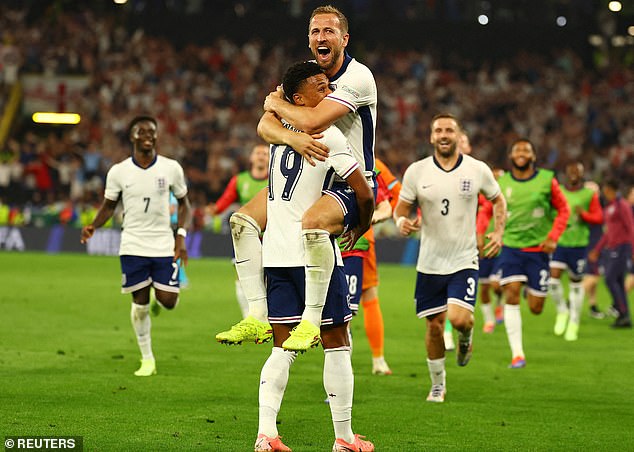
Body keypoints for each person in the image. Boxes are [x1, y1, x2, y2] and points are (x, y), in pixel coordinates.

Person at [216, 4, 377, 351]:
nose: (322, 37)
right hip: (311, 175)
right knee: (242, 221)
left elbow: (313, 121)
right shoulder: (305, 77)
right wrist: (292, 135)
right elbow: (265, 125)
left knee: (314, 223)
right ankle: (257, 314)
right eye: (316, 32)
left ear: (344, 39)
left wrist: (278, 103)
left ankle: (312, 320)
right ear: (309, 40)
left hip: (349, 181)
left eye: (329, 31)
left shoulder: (357, 77)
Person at [254, 61, 374, 452]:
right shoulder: (331, 136)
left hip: (275, 253)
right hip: (314, 252)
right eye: (321, 88)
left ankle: (266, 434)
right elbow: (364, 192)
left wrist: (276, 105)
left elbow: (265, 123)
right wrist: (362, 225)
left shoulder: (277, 135)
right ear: (300, 99)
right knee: (337, 340)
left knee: (281, 347)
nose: (329, 94)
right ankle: (344, 439)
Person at [393, 113, 506, 403]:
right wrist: (401, 223)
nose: (444, 135)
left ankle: (466, 338)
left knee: (458, 320)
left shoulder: (477, 169)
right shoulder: (417, 171)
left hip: (463, 260)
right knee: (433, 326)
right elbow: (401, 209)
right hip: (429, 263)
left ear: (458, 136)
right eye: (438, 130)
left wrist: (498, 232)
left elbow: (498, 200)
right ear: (431, 137)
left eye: (449, 130)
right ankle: (438, 385)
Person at [80, 116, 191, 377]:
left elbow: (185, 203)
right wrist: (94, 226)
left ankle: (157, 295)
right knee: (139, 305)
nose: (148, 135)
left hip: (163, 244)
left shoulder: (171, 168)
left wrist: (181, 236)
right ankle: (147, 358)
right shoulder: (118, 172)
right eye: (141, 132)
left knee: (169, 301)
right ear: (132, 137)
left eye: (152, 132)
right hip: (132, 244)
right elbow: (109, 206)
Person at [496, 138, 570, 369]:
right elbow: (489, 207)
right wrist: (484, 232)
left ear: (533, 156)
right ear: (511, 156)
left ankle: (533, 289)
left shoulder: (547, 180)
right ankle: (517, 354)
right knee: (511, 294)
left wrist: (553, 237)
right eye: (517, 149)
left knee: (536, 308)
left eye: (526, 150)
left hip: (538, 251)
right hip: (510, 247)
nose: (521, 153)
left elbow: (564, 209)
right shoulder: (502, 181)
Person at [340, 158, 399, 375]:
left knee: (360, 300)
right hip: (332, 242)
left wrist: (372, 219)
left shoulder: (371, 164)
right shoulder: (325, 155)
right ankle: (377, 360)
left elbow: (394, 195)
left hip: (358, 244)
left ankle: (377, 359)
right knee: (363, 298)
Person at [208, 144, 269, 318]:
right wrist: (214, 209)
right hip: (246, 237)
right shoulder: (240, 180)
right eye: (257, 153)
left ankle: (266, 315)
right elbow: (225, 200)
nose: (261, 156)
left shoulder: (275, 179)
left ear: (270, 159)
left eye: (265, 153)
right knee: (242, 277)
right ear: (251, 158)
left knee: (269, 278)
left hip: (270, 237)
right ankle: (247, 315)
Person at [549, 162, 603, 341]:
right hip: (560, 243)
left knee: (576, 284)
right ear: (566, 173)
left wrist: (585, 215)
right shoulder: (559, 192)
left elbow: (598, 217)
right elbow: (550, 212)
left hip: (578, 245)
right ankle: (562, 311)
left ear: (582, 174)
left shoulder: (589, 194)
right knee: (553, 280)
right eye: (571, 171)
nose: (573, 174)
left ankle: (574, 321)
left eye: (577, 172)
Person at [588, 178, 634, 328]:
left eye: (605, 190)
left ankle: (621, 310)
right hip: (612, 248)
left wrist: (633, 249)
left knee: (609, 279)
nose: (604, 193)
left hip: (622, 248)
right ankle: (624, 316)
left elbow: (631, 227)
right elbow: (607, 233)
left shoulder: (622, 206)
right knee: (619, 282)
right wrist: (597, 249)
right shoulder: (609, 207)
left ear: (609, 189)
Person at [475, 168, 506, 333]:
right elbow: (481, 218)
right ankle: (489, 320)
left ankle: (500, 302)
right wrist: (478, 236)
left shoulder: (505, 198)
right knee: (484, 287)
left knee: (496, 285)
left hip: (501, 247)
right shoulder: (480, 198)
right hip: (483, 246)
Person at [581, 180, 606, 319]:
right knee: (594, 276)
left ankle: (593, 305)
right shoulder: (587, 209)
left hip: (593, 245)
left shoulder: (592, 208)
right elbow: (598, 219)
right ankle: (572, 301)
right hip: (592, 246)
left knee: (591, 275)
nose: (597, 195)